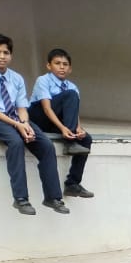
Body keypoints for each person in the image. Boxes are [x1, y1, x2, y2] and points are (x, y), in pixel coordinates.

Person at [0, 32, 68, 215]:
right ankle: (21, 198)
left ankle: (53, 197)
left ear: (11, 55)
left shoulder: (16, 78)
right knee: (15, 142)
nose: (2, 56)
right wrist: (17, 125)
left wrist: (25, 123)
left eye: (6, 52)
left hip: (18, 118)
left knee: (46, 146)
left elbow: (22, 107)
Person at [29, 47, 94, 200]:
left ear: (70, 69)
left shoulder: (72, 86)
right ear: (49, 66)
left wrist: (78, 128)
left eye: (65, 64)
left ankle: (72, 183)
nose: (61, 67)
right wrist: (63, 129)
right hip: (39, 117)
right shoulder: (43, 80)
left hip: (58, 121)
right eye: (57, 63)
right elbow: (46, 108)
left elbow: (73, 111)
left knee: (86, 139)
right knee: (69, 95)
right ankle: (70, 143)